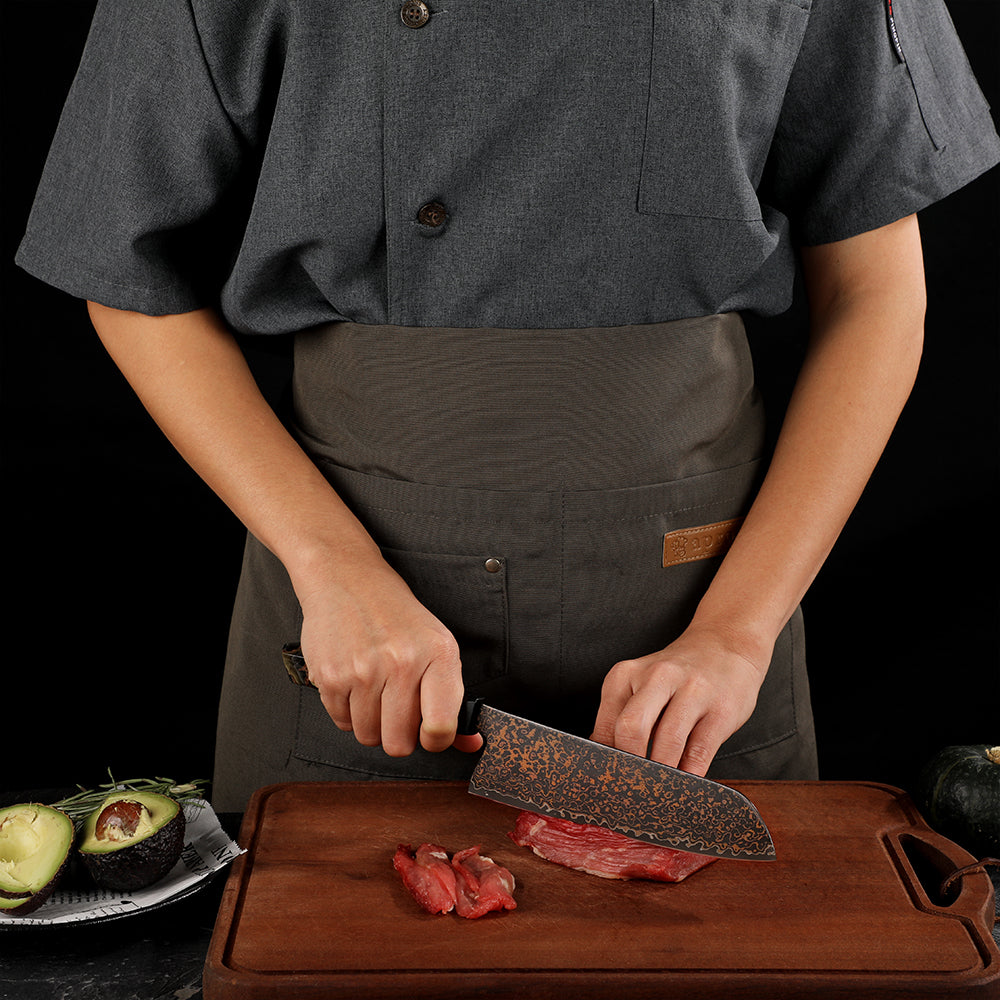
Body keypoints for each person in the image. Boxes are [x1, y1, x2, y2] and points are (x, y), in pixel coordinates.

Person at [16, 0, 999, 812]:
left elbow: (876, 296)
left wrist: (735, 634)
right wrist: (331, 565)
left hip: (704, 610)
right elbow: (129, 280)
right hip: (360, 621)